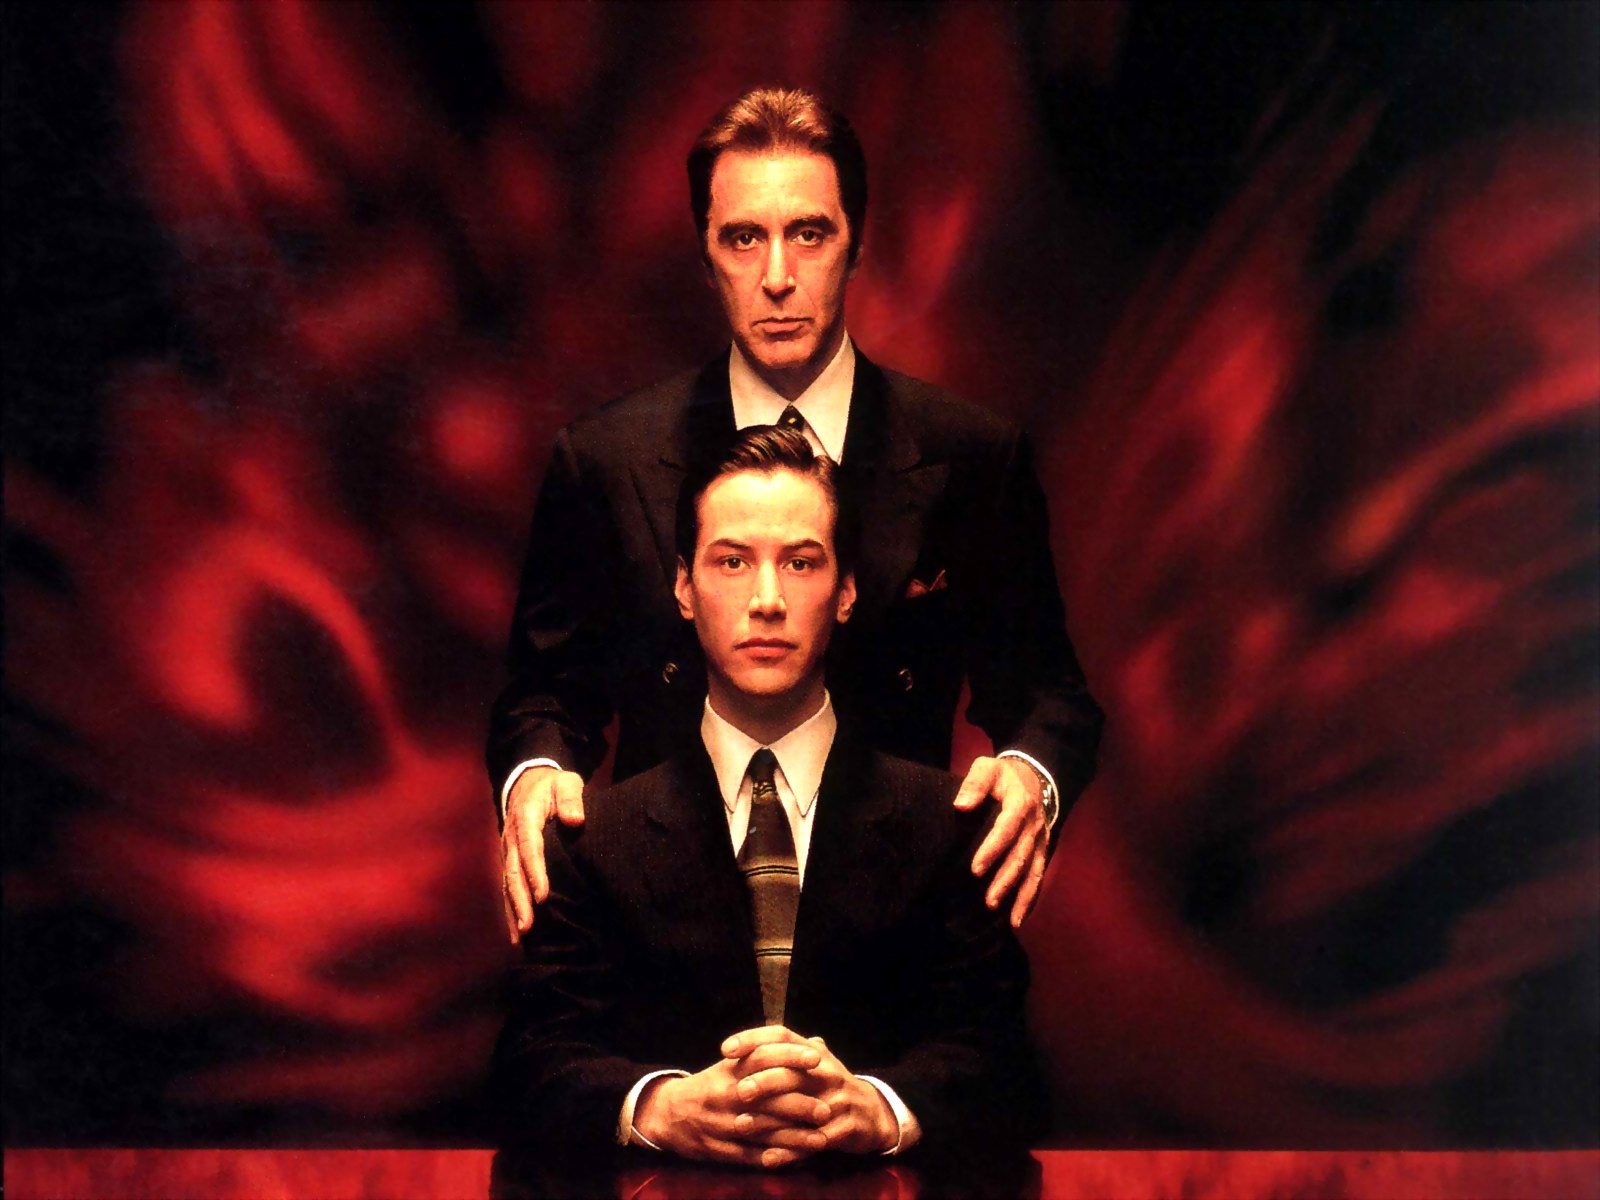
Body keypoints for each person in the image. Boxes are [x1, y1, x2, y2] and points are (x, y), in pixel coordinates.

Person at [488, 86, 1102, 940]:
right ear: (705, 258)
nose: (778, 277)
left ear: (856, 247)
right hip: (667, 934)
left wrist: (1032, 775)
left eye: (809, 234)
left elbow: (1047, 694)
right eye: (744, 238)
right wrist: (535, 777)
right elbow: (544, 696)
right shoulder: (604, 460)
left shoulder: (972, 457)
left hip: (896, 935)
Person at [492, 427, 1044, 1177]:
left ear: (846, 592)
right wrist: (656, 1107)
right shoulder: (592, 837)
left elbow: (1004, 1059)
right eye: (732, 561)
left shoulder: (952, 825)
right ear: (683, 588)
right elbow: (529, 1064)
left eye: (801, 562)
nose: (767, 601)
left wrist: (883, 1109)